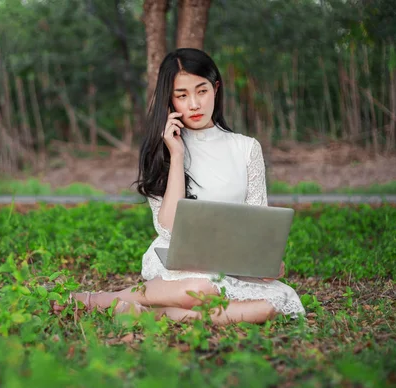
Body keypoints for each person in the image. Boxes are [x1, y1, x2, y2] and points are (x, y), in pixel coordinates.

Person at [54, 48, 306, 324]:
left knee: (269, 307)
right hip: (179, 264)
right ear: (170, 101)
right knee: (201, 288)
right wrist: (176, 155)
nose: (194, 104)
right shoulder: (162, 149)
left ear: (216, 89)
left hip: (232, 267)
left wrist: (265, 263)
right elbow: (167, 227)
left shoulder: (246, 148)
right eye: (182, 95)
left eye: (202, 91)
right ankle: (98, 300)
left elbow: (258, 223)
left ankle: (151, 313)